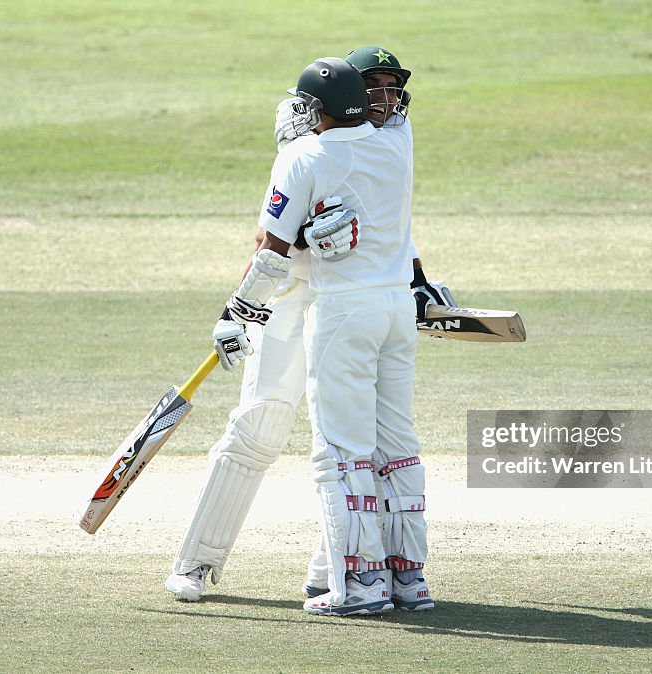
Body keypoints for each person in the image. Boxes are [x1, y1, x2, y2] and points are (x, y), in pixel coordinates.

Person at [165, 48, 448, 614]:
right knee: (259, 431)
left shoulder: (382, 137)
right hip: (293, 302)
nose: (383, 99)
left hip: (343, 307)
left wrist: (418, 278)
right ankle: (197, 562)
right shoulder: (312, 143)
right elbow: (272, 244)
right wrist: (302, 248)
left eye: (391, 88)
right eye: (373, 86)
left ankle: (334, 574)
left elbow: (393, 224)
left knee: (353, 444)